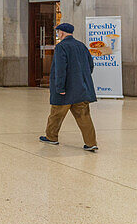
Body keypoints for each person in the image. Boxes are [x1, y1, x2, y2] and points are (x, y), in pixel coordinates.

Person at [39, 22, 98, 151]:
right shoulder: (81, 46)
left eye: (58, 32)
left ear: (61, 32)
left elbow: (60, 69)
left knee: (56, 114)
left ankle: (51, 137)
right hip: (81, 89)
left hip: (66, 90)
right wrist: (81, 80)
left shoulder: (61, 47)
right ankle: (91, 143)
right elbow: (90, 66)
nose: (57, 35)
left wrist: (60, 88)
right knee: (84, 116)